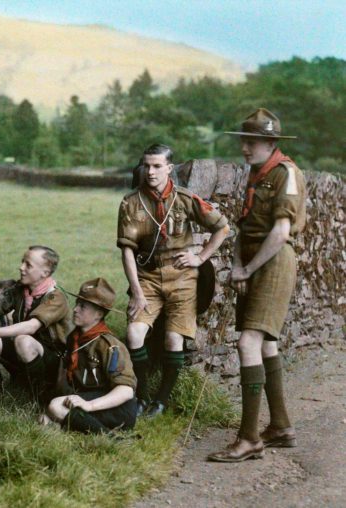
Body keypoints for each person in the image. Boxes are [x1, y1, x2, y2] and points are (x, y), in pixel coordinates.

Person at [209, 108, 305, 462]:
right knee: (265, 345)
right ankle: (280, 426)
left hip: (273, 263)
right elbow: (245, 227)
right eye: (243, 142)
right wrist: (237, 266)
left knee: (249, 341)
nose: (245, 149)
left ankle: (249, 438)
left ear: (270, 142)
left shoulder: (286, 174)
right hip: (252, 263)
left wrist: (247, 269)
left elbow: (280, 233)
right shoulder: (256, 173)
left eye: (251, 143)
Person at [117, 143, 229, 417]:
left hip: (182, 278)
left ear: (169, 168)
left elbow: (222, 227)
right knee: (134, 332)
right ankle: (141, 396)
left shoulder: (184, 199)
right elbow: (127, 252)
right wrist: (137, 292)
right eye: (146, 165)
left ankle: (161, 401)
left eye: (157, 166)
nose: (151, 172)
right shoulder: (131, 203)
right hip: (148, 278)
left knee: (173, 339)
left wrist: (200, 258)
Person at [0, 246, 71, 400]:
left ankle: (40, 397)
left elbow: (31, 326)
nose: (21, 268)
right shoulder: (20, 289)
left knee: (22, 340)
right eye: (22, 262)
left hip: (52, 363)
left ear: (45, 272)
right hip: (23, 351)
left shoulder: (56, 297)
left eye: (28, 265)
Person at [41, 278, 137, 434]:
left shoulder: (110, 345)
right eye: (77, 303)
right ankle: (68, 422)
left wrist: (89, 405)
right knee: (51, 412)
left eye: (82, 306)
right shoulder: (75, 337)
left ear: (98, 314)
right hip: (90, 396)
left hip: (117, 407)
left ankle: (110, 438)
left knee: (56, 406)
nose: (75, 309)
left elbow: (126, 390)